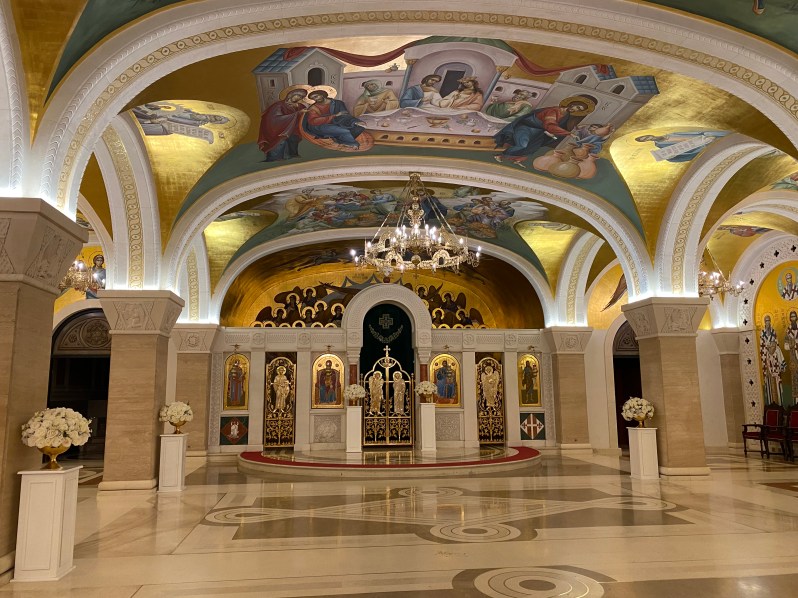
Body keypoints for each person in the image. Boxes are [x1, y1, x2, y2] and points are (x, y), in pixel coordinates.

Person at [493, 96, 595, 166]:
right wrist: (568, 133)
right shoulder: (554, 110)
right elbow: (549, 125)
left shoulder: (566, 115)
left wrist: (555, 134)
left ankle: (515, 159)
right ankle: (501, 155)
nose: (576, 109)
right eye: (577, 107)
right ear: (572, 104)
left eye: (579, 110)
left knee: (533, 147)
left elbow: (558, 126)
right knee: (522, 145)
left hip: (538, 131)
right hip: (526, 127)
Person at [257, 88, 309, 161]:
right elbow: (274, 119)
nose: (299, 98)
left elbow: (304, 116)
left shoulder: (300, 106)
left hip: (293, 129)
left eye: (301, 97)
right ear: (291, 95)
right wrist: (297, 113)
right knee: (281, 141)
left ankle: (292, 154)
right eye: (298, 95)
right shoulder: (278, 105)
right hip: (278, 130)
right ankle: (275, 158)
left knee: (294, 138)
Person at [634, 131, 728, 163]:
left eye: (645, 136)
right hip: (698, 146)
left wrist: (704, 136)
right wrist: (670, 157)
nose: (647, 138)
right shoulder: (660, 145)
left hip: (703, 139)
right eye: (644, 139)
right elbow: (674, 154)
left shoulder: (670, 135)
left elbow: (689, 134)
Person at [760, 315, 786, 405]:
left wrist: (774, 349)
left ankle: (780, 404)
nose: (767, 322)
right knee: (769, 382)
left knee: (777, 382)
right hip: (767, 360)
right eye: (766, 321)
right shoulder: (762, 333)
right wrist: (767, 352)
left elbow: (777, 344)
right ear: (764, 322)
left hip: (775, 360)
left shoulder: (773, 332)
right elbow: (762, 347)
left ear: (770, 321)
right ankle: (771, 403)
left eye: (768, 320)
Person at [784, 311, 798, 403]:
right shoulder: (788, 331)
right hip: (793, 357)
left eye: (794, 316)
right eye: (791, 317)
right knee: (795, 377)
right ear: (790, 318)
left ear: (796, 317)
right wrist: (791, 345)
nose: (793, 318)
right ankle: (797, 400)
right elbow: (785, 346)